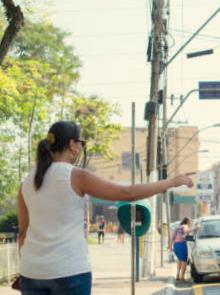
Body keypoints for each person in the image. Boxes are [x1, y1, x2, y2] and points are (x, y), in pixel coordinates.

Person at [17, 121, 193, 295]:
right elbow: (128, 193)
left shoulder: (27, 182)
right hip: (68, 271)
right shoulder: (76, 176)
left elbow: (23, 233)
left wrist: (29, 265)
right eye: (81, 143)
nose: (80, 149)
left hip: (31, 272)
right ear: (72, 144)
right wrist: (172, 182)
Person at [168, 217, 194, 282]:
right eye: (189, 222)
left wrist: (170, 247)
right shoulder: (185, 226)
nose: (189, 224)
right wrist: (195, 228)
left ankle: (177, 275)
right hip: (181, 244)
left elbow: (172, 237)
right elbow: (186, 231)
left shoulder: (177, 227)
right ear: (187, 222)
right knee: (184, 261)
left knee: (179, 260)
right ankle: (182, 277)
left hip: (176, 245)